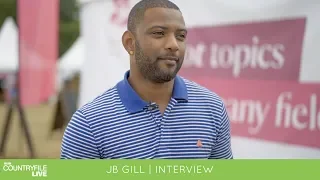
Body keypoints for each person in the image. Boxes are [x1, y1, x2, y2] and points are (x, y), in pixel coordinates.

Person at [60, 0, 233, 159]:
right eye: (159, 33)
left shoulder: (212, 109)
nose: (173, 44)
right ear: (130, 43)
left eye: (181, 36)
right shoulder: (89, 124)